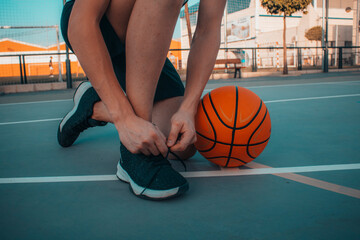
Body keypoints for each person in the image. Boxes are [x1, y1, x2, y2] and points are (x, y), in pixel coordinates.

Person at [58, 0, 227, 200]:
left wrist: (188, 108)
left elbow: (207, 29)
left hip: (145, 37)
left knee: (182, 145)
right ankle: (135, 155)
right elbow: (80, 23)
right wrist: (124, 119)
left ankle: (93, 107)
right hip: (98, 28)